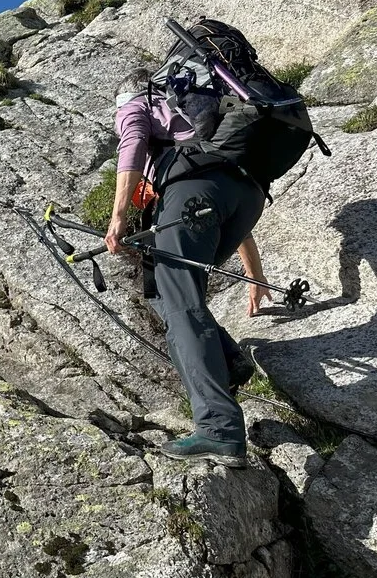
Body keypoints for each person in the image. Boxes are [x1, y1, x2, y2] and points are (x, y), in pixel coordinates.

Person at [107, 68, 270, 468]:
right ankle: (227, 359)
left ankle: (219, 429)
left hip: (192, 195)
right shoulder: (200, 122)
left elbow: (132, 146)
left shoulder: (135, 104)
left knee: (179, 305)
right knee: (171, 292)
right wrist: (255, 275)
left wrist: (118, 216)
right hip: (246, 194)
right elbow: (218, 204)